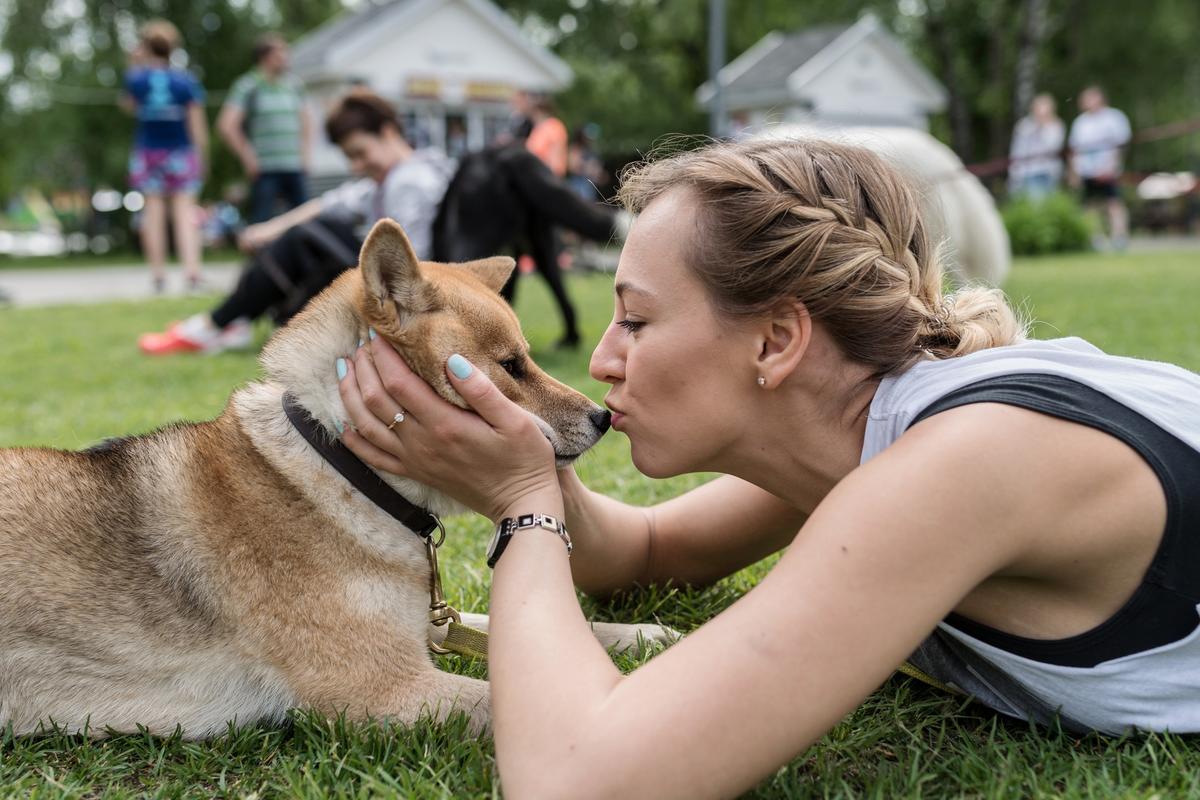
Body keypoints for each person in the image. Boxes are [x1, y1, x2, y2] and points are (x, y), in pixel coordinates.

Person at [335, 137, 1200, 797]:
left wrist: (521, 504)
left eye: (635, 322)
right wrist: (527, 457)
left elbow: (580, 777)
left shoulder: (967, 460)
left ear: (778, 340)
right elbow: (640, 555)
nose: (601, 361)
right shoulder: (864, 424)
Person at [139, 89, 452, 355]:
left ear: (387, 132)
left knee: (305, 238)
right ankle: (231, 322)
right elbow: (326, 204)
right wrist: (268, 230)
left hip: (403, 297)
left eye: (360, 153)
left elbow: (417, 264)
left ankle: (216, 325)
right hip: (388, 286)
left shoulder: (410, 182)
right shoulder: (390, 180)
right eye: (351, 158)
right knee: (309, 230)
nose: (357, 166)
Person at [120, 20, 208, 294]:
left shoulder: (138, 79)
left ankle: (158, 276)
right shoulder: (185, 80)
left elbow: (127, 107)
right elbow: (196, 124)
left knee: (153, 216)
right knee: (185, 215)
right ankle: (192, 274)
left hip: (148, 153)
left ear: (146, 47)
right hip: (180, 151)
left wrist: (133, 65)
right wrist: (201, 156)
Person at [503, 90, 582, 349]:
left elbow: (554, 167)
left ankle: (571, 330)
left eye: (520, 99)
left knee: (546, 269)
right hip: (527, 207)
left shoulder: (552, 128)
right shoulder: (533, 130)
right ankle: (503, 328)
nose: (517, 104)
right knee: (517, 267)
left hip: (540, 206)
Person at [217, 33, 311, 224]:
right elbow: (226, 125)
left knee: (304, 221)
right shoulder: (248, 86)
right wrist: (247, 155)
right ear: (265, 57)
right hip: (265, 168)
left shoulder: (294, 86)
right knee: (262, 221)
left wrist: (305, 155)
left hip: (294, 165)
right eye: (280, 53)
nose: (285, 58)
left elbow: (307, 122)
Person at [1068, 86, 1132, 250]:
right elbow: (1074, 150)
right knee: (1090, 206)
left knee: (1113, 203)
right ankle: (1096, 239)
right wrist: (1074, 172)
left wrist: (1111, 166)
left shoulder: (1114, 117)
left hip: (1108, 170)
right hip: (1087, 172)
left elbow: (1122, 144)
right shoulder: (1081, 122)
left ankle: (1119, 237)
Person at [1008, 93, 1065, 200]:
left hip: (1048, 172)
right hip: (1026, 172)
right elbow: (1018, 149)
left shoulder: (1056, 126)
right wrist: (1014, 171)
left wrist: (1043, 127)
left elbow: (1053, 147)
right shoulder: (1024, 125)